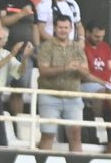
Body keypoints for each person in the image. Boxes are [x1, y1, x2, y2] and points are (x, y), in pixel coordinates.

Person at [35, 14, 89, 152]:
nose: (63, 30)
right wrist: (66, 67)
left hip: (73, 96)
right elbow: (43, 71)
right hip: (49, 95)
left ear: (71, 28)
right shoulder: (46, 46)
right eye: (60, 27)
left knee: (76, 136)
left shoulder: (78, 48)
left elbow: (87, 74)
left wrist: (79, 69)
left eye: (66, 27)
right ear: (54, 28)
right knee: (48, 135)